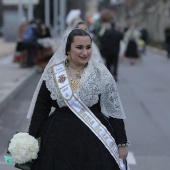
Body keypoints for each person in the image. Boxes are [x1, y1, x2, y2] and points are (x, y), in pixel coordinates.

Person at [27, 29, 129, 170]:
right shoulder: (53, 73)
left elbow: (114, 111)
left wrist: (122, 143)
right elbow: (40, 110)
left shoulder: (101, 73)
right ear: (68, 49)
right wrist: (30, 139)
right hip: (57, 140)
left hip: (94, 140)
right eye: (79, 47)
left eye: (88, 47)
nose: (85, 52)